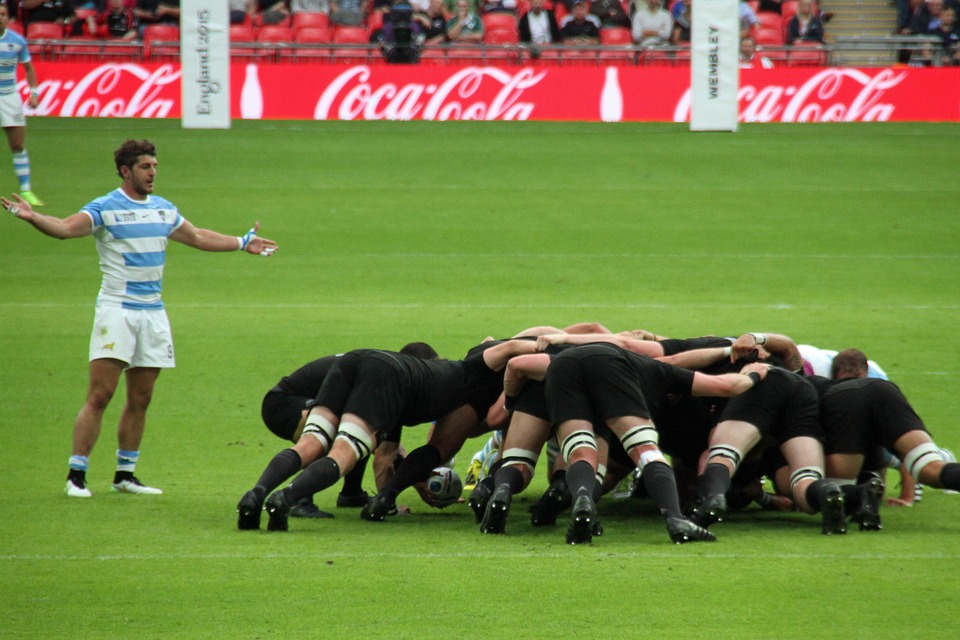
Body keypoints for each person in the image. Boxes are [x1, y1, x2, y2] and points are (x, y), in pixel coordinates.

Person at [2, 139, 278, 499]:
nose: (153, 174)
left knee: (142, 396)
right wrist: (34, 217)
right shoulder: (105, 208)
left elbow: (196, 236)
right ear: (125, 171)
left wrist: (241, 242)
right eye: (146, 167)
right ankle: (76, 475)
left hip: (153, 314)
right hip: (117, 311)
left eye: (155, 167)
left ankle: (125, 475)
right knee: (100, 394)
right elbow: (67, 227)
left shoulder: (163, 210)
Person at [253, 339, 538, 531]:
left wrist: (407, 486)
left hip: (358, 360)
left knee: (322, 443)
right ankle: (292, 497)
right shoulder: (459, 372)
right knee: (342, 449)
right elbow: (384, 460)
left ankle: (257, 495)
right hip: (287, 403)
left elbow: (387, 454)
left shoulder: (415, 380)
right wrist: (542, 345)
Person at [256, 342, 438, 521]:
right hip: (283, 403)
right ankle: (299, 500)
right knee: (327, 436)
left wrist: (416, 479)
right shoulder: (388, 382)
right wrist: (388, 507)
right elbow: (383, 461)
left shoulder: (385, 369)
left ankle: (351, 493)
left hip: (298, 398)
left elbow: (388, 448)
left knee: (365, 430)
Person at [0, 6, 43, 208]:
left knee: (17, 145)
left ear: (8, 18)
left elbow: (28, 68)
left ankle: (26, 190)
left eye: (2, 15)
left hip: (9, 97)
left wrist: (33, 93)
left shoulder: (17, 41)